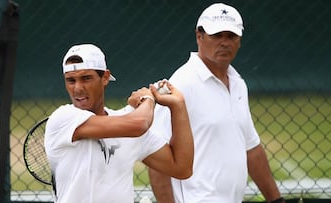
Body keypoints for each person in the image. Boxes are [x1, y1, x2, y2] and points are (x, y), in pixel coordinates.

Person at [148, 3, 285, 203]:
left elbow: (251, 148)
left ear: (239, 41)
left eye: (231, 36)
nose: (224, 42)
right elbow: (156, 156)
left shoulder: (238, 83)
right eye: (217, 35)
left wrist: (276, 200)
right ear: (199, 36)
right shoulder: (180, 84)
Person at [44, 43, 194, 203]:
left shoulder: (126, 123)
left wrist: (178, 106)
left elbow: (182, 168)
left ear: (105, 77)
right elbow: (139, 124)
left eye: (86, 78)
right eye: (71, 80)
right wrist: (148, 99)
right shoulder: (63, 118)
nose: (78, 88)